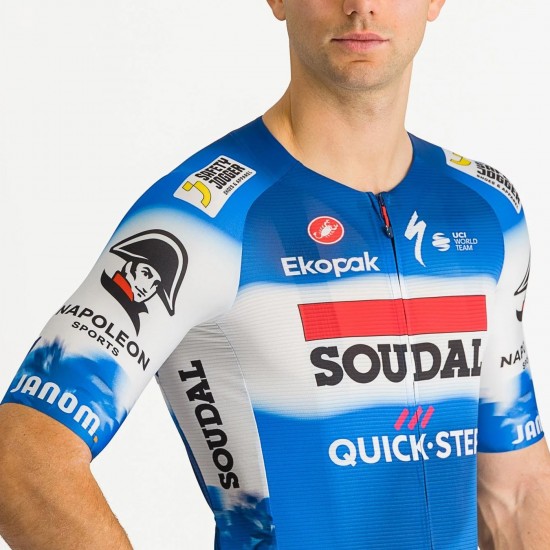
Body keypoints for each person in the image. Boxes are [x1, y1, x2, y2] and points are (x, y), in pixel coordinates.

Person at [1, 1, 549, 548]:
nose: (361, 6)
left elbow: (516, 490)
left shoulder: (487, 210)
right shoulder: (200, 219)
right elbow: (19, 455)